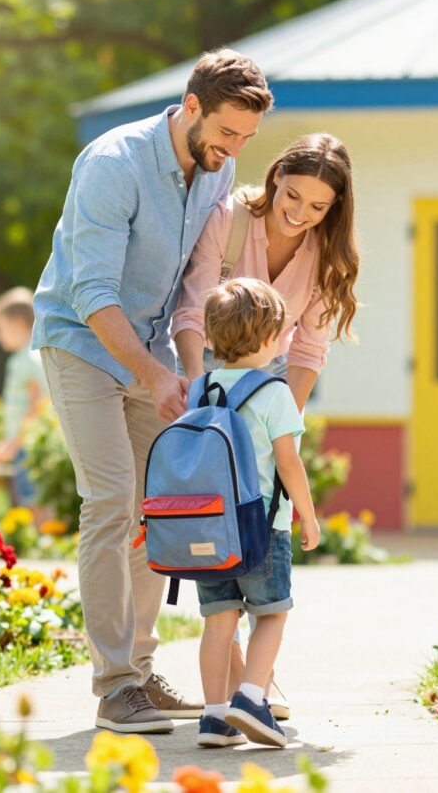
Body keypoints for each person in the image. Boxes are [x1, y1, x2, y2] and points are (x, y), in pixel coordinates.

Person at [33, 49, 273, 734]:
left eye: (246, 140)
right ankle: (114, 688)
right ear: (191, 107)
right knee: (111, 501)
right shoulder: (114, 164)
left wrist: (190, 371)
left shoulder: (214, 176)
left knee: (158, 509)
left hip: (154, 353)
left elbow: (194, 290)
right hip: (81, 341)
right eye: (227, 133)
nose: (234, 151)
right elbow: (93, 294)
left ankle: (138, 672)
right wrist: (154, 374)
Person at [173, 133, 360, 716]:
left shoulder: (328, 257)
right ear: (277, 175)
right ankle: (245, 694)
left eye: (318, 207)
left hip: (269, 376)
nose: (300, 213)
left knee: (250, 532)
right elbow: (192, 309)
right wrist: (204, 404)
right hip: (205, 366)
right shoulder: (229, 219)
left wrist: (279, 421)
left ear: (334, 209)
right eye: (293, 194)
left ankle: (244, 691)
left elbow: (308, 351)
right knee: (227, 538)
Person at [192, 278, 320, 750]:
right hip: (262, 530)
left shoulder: (199, 390)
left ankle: (214, 717)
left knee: (219, 620)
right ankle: (250, 698)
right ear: (268, 339)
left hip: (209, 528)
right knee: (269, 615)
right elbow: (289, 463)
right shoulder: (273, 392)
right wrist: (308, 516)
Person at [0, 287, 48, 516]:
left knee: (34, 503)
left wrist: (12, 444)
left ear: (17, 323)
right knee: (31, 500)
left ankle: (42, 548)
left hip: (26, 446)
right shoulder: (32, 355)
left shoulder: (25, 359)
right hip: (26, 444)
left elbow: (37, 404)